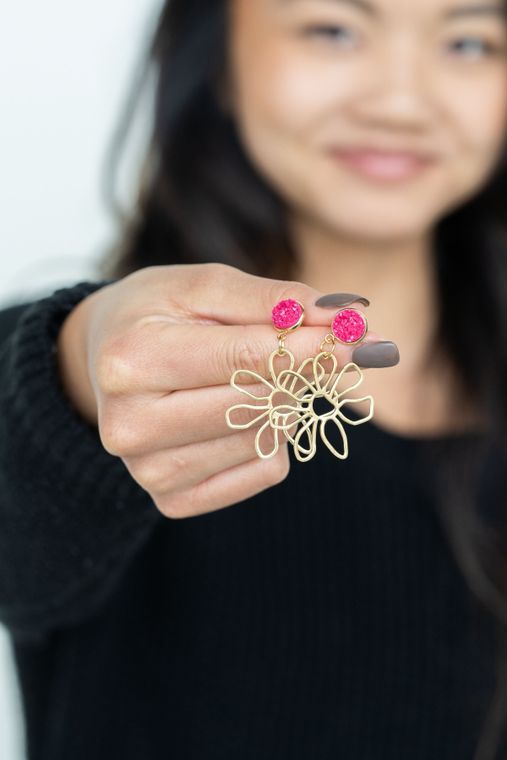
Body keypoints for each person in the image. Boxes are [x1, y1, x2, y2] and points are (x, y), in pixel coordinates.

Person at [1, 0, 507, 757]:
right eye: (332, 29)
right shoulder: (88, 376)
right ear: (218, 60)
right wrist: (77, 370)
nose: (402, 101)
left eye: (469, 42)